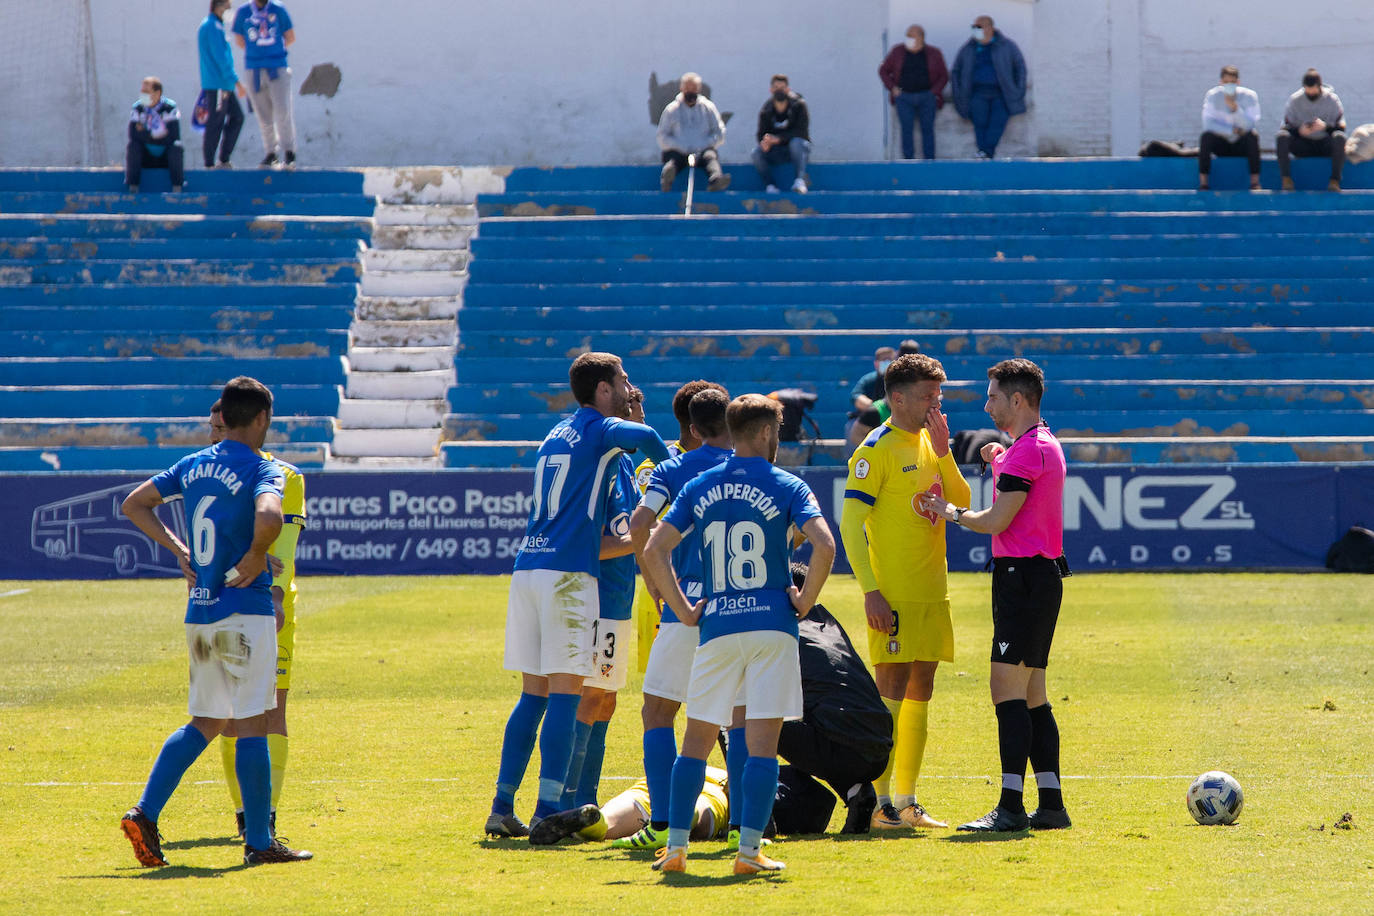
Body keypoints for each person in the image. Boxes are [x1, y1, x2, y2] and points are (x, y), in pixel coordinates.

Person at [118, 377, 312, 867]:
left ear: (223, 415)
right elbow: (270, 516)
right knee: (253, 723)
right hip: (245, 611)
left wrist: (180, 550)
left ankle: (145, 812)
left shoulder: (193, 465)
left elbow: (133, 504)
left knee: (205, 721)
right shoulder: (263, 468)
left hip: (201, 609)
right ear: (263, 419)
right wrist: (255, 555)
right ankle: (261, 842)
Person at [643, 393, 836, 875]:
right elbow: (824, 543)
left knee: (696, 739)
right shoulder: (787, 483)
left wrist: (684, 610)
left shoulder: (701, 483)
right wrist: (804, 599)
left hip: (718, 624)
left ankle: (676, 849)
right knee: (762, 742)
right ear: (769, 432)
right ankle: (749, 852)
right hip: (772, 625)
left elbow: (653, 548)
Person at [485, 353, 670, 844]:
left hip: (529, 568)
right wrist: (688, 482)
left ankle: (503, 806)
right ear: (604, 391)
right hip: (569, 575)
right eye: (623, 382)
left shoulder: (557, 433)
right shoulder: (597, 430)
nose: (631, 391)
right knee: (568, 696)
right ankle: (551, 808)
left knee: (534, 695)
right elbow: (650, 439)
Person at [918, 358, 1070, 833]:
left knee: (1005, 690)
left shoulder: (1027, 452)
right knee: (1032, 695)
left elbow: (996, 521)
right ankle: (1050, 805)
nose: (986, 405)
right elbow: (1023, 490)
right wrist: (997, 459)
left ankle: (1009, 807)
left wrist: (949, 511)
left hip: (1022, 580)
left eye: (992, 397)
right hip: (1038, 578)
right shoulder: (1040, 444)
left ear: (1017, 400)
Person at [840, 353, 971, 831]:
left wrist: (945, 451)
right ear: (896, 398)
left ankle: (907, 801)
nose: (936, 405)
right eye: (926, 397)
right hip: (892, 594)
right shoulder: (875, 449)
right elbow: (851, 525)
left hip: (933, 590)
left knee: (922, 690)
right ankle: (877, 804)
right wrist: (871, 591)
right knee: (889, 692)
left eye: (939, 396)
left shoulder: (929, 442)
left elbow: (962, 503)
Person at [615, 388, 735, 852]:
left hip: (688, 604)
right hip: (743, 608)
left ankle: (664, 822)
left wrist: (653, 579)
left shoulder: (672, 469)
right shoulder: (754, 469)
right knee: (743, 720)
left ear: (689, 427)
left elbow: (640, 523)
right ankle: (749, 824)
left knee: (659, 710)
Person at [207, 400, 306, 841]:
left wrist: (279, 597)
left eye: (220, 424)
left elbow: (283, 546)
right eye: (210, 426)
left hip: (267, 603)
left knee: (271, 711)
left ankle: (265, 814)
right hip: (216, 605)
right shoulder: (202, 472)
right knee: (226, 716)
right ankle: (246, 813)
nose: (214, 433)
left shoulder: (285, 475)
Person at [556, 387, 647, 815]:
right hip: (597, 599)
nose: (641, 420)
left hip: (619, 600)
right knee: (590, 697)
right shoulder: (604, 468)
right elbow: (588, 543)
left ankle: (585, 796)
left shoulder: (629, 465)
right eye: (634, 410)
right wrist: (638, 540)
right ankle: (569, 797)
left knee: (606, 698)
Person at [771, 563, 891, 836]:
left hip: (844, 747)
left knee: (748, 718)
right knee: (821, 721)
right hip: (880, 750)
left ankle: (753, 812)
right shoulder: (827, 623)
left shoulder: (783, 632)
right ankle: (856, 792)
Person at [633, 380, 726, 671]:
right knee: (664, 697)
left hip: (714, 588)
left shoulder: (729, 463)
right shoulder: (655, 470)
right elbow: (642, 527)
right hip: (668, 586)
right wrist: (652, 578)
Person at [586, 765, 730, 843]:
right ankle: (677, 818)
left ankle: (589, 824)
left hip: (662, 779)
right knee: (697, 805)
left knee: (606, 821)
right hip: (715, 788)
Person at [231, 0, 297, 169]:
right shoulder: (244, 11)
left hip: (277, 67)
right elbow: (239, 40)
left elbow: (290, 37)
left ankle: (289, 152)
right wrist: (257, 54)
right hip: (254, 68)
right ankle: (271, 152)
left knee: (283, 110)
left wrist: (273, 53)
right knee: (263, 113)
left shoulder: (278, 9)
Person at [951, 15, 1027, 159]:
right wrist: (959, 93)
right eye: (974, 27)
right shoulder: (968, 48)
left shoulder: (1007, 46)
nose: (975, 30)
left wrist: (1018, 90)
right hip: (977, 93)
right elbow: (956, 71)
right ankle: (984, 154)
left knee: (997, 123)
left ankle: (985, 153)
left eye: (978, 27)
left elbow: (1020, 68)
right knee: (980, 124)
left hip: (1002, 93)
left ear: (989, 28)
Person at [879, 25, 949, 160]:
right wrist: (893, 87)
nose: (909, 39)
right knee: (906, 129)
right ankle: (908, 160)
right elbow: (883, 70)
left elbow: (944, 76)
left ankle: (929, 161)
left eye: (912, 36)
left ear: (921, 38)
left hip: (927, 97)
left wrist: (934, 92)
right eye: (908, 36)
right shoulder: (897, 51)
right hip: (904, 97)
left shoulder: (934, 53)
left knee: (927, 129)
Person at [657, 72, 730, 192]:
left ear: (699, 89)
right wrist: (680, 146)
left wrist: (704, 144)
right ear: (681, 89)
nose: (690, 92)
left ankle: (716, 180)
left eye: (693, 89)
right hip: (678, 151)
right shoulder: (671, 110)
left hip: (703, 150)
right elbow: (662, 136)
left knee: (710, 157)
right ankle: (667, 178)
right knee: (673, 160)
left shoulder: (708, 108)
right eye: (687, 88)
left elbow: (719, 132)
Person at [1276, 69, 1346, 192]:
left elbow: (1341, 127)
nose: (1310, 93)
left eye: (1313, 90)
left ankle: (1335, 181)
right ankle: (1286, 180)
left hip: (1324, 143)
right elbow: (1285, 126)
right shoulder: (1295, 100)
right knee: (1281, 137)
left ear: (1319, 87)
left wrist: (1325, 127)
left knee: (1339, 138)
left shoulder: (1332, 100)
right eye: (1307, 90)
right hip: (1303, 144)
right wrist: (1299, 131)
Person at [198, 0, 247, 169]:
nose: (229, 11)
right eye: (227, 7)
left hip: (224, 85)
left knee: (237, 117)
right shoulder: (211, 26)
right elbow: (221, 59)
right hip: (218, 85)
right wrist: (237, 82)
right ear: (218, 7)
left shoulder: (217, 26)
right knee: (216, 122)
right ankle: (209, 163)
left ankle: (224, 158)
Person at [1198, 65, 1261, 191]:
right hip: (1222, 143)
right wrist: (1231, 130)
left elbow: (1251, 124)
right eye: (1226, 82)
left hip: (1240, 144)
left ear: (1238, 82)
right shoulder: (1212, 96)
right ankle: (1204, 183)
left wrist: (1235, 109)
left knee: (1253, 137)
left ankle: (1255, 183)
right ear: (1220, 82)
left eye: (1232, 82)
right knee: (1205, 137)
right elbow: (1208, 124)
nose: (1229, 85)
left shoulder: (1250, 96)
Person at [751, 74, 811, 194]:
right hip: (777, 152)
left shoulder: (799, 105)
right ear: (771, 90)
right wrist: (765, 143)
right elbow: (761, 134)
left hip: (797, 149)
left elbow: (802, 132)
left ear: (788, 89)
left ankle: (799, 181)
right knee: (756, 153)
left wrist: (778, 139)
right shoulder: (766, 110)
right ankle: (771, 186)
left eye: (782, 87)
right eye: (776, 87)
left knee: (797, 142)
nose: (779, 90)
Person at [125, 77, 184, 193]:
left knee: (176, 146)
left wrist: (145, 134)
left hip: (165, 156)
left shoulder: (169, 108)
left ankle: (177, 187)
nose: (143, 95)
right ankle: (133, 186)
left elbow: (174, 135)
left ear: (157, 93)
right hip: (146, 155)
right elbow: (133, 134)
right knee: (133, 146)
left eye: (146, 92)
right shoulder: (138, 108)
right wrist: (156, 135)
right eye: (142, 92)